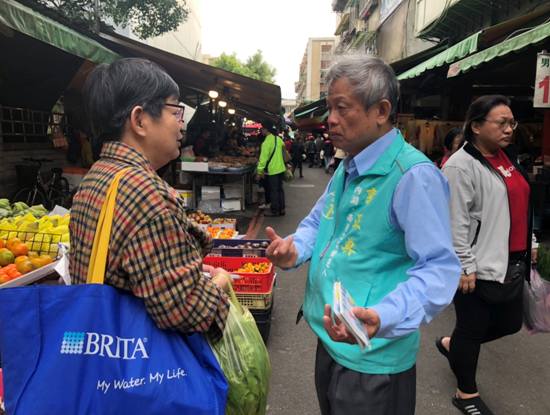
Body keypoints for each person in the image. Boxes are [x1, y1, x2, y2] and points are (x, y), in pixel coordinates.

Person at [265, 55, 461, 415]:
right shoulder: (349, 164)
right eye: (329, 108)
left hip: (374, 357)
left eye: (342, 108)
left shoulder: (413, 177)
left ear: (381, 110)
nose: (331, 120)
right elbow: (317, 222)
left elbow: (438, 269)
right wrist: (295, 249)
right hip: (333, 338)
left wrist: (384, 316)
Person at [70, 58, 231, 342]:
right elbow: (189, 311)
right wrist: (221, 282)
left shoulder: (97, 176)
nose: (182, 125)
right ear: (140, 120)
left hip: (100, 345)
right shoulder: (145, 192)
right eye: (175, 111)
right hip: (141, 368)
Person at [438, 95, 531, 415]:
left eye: (511, 123)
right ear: (476, 126)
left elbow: (517, 204)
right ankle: (466, 394)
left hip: (511, 259)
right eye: (501, 122)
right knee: (471, 328)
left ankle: (454, 347)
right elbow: (455, 220)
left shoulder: (507, 157)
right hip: (476, 263)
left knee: (510, 323)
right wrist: (464, 265)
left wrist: (529, 240)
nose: (509, 129)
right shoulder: (460, 166)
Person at [256, 120, 286, 216]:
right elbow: (284, 149)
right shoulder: (278, 139)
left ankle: (275, 211)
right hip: (281, 168)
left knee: (273, 191)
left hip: (272, 169)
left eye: (262, 129)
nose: (261, 131)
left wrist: (259, 171)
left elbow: (263, 159)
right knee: (280, 189)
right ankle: (282, 209)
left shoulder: (266, 143)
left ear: (266, 130)